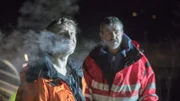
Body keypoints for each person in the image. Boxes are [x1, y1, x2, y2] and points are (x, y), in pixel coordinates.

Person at [82, 16, 159, 101]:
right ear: (101, 35)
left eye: (116, 32)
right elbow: (84, 94)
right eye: (108, 33)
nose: (113, 37)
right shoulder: (91, 62)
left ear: (122, 33)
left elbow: (148, 94)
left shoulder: (139, 60)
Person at [15, 18, 86, 101]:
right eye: (62, 34)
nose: (70, 37)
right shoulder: (38, 80)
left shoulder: (77, 73)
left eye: (72, 33)